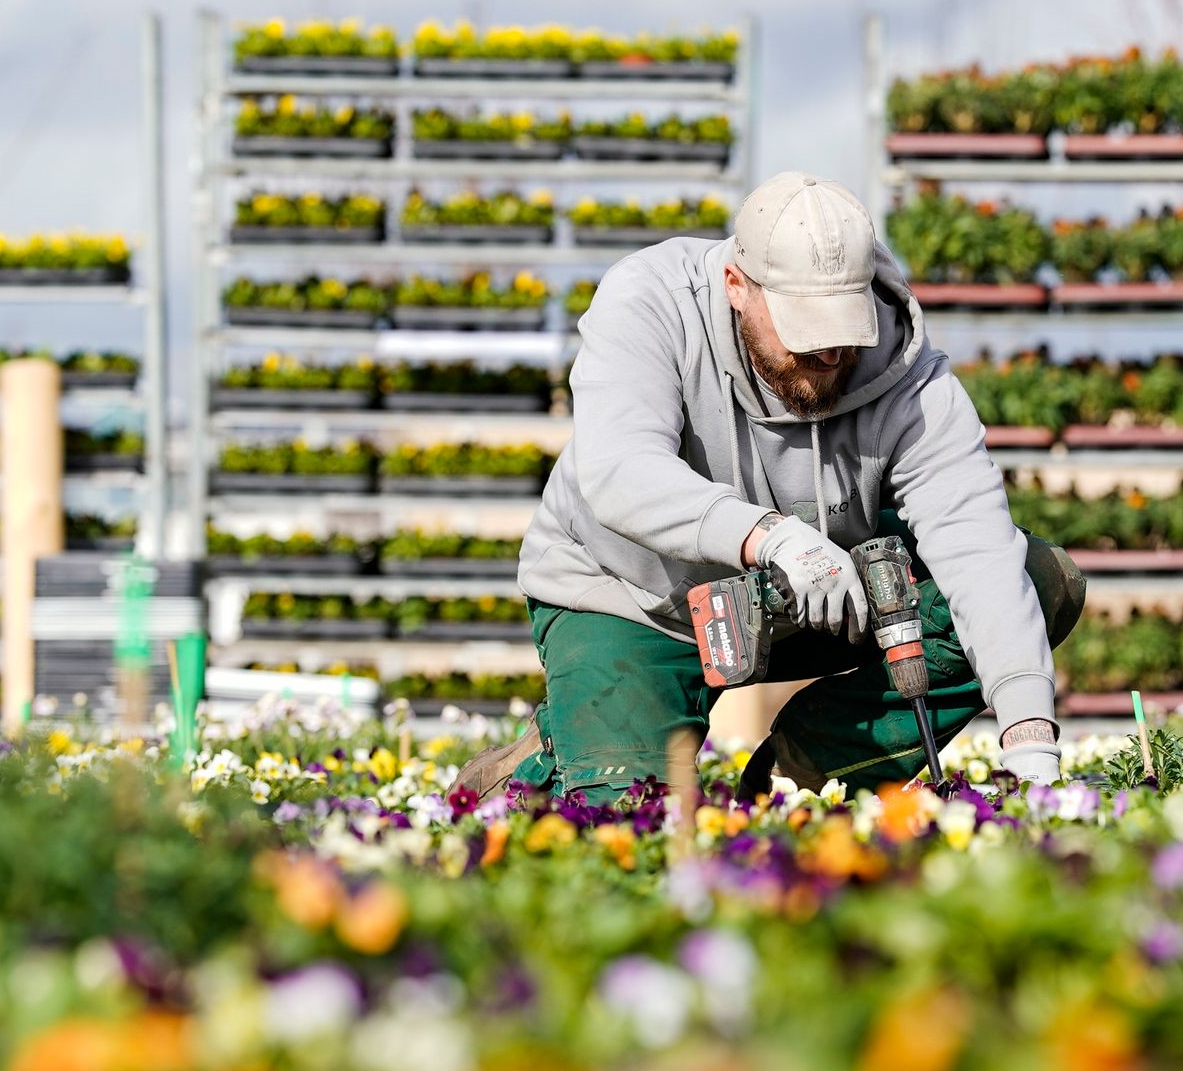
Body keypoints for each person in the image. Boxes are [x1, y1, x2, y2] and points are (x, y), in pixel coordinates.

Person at [457, 171, 1082, 800]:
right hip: (636, 599)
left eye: (844, 330)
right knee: (626, 815)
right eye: (804, 331)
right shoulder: (650, 301)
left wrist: (1031, 741)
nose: (831, 356)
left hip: (816, 597)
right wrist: (769, 536)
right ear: (737, 285)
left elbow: (979, 551)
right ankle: (551, 755)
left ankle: (804, 772)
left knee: (1037, 575)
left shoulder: (907, 373)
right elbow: (620, 469)